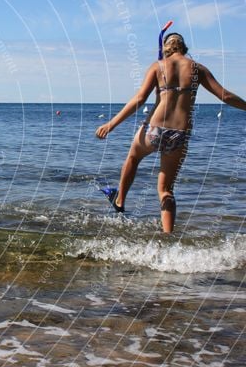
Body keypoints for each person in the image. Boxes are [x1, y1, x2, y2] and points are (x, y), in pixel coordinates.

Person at [95, 31, 246, 233]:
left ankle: (120, 202)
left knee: (132, 158)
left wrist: (111, 124)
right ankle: (168, 237)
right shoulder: (198, 69)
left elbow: (139, 99)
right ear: (184, 48)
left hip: (154, 130)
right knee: (165, 190)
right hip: (180, 134)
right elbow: (225, 96)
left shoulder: (158, 67)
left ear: (165, 48)